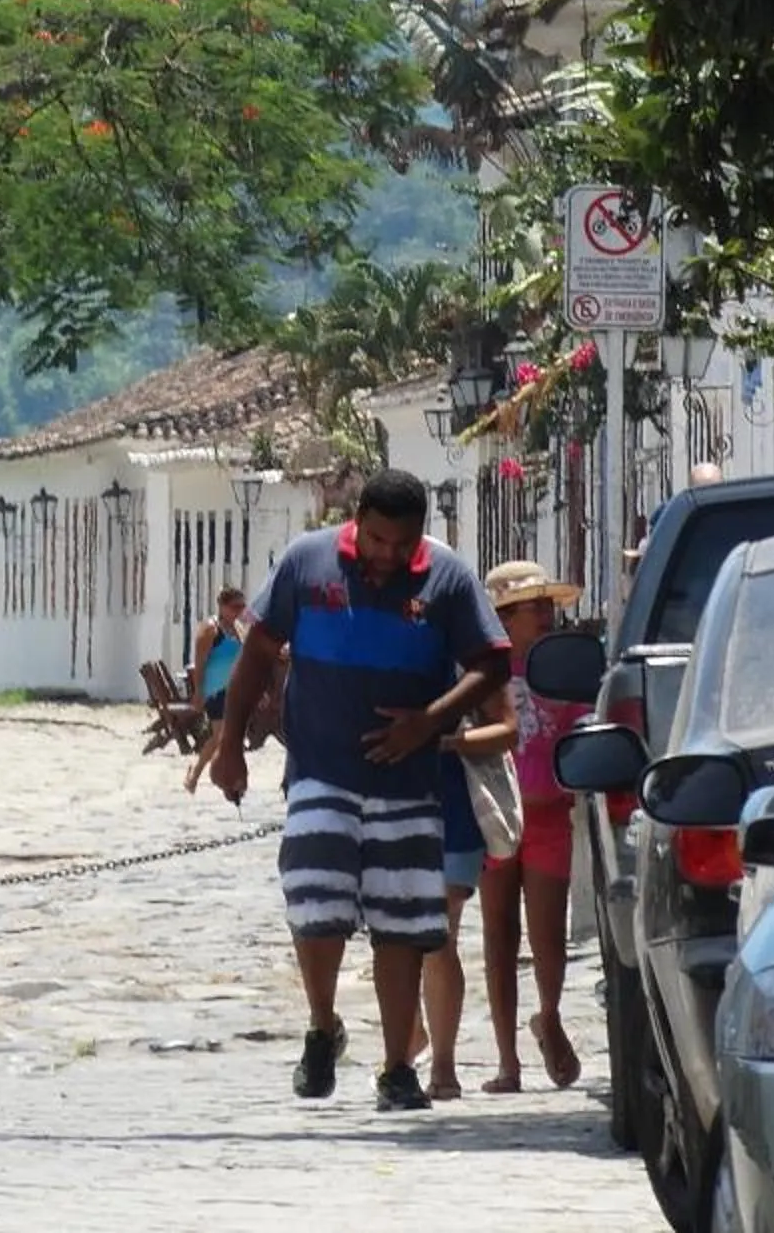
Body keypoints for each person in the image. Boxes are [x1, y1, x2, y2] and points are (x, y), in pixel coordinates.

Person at [214, 470, 509, 1112]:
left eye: (402, 544)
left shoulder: (448, 579)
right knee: (314, 903)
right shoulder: (306, 561)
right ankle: (323, 1026)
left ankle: (398, 1067)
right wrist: (230, 743)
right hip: (320, 769)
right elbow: (258, 651)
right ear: (357, 521)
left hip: (408, 783)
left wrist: (430, 721)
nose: (387, 555)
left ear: (421, 534)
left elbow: (493, 663)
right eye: (376, 540)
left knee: (402, 925)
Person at [480, 559, 588, 1093]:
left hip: (548, 814)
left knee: (548, 935)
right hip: (495, 812)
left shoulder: (564, 668)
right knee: (498, 934)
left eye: (547, 604)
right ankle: (507, 1060)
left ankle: (548, 1014)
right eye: (533, 606)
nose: (545, 614)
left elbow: (581, 723)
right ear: (504, 616)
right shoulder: (482, 673)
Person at [412, 680, 516, 1101]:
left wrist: (450, 742)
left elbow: (507, 729)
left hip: (454, 807)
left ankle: (443, 1065)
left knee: (440, 934)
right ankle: (413, 1035)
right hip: (391, 800)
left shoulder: (469, 656)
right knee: (402, 936)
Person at [184, 586, 250, 794]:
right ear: (222, 606)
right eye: (235, 607)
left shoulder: (239, 629)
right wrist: (198, 691)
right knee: (219, 735)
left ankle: (229, 777)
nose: (239, 611)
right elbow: (199, 663)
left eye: (242, 607)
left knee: (234, 737)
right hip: (215, 689)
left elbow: (244, 660)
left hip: (235, 690)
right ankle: (195, 774)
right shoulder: (210, 629)